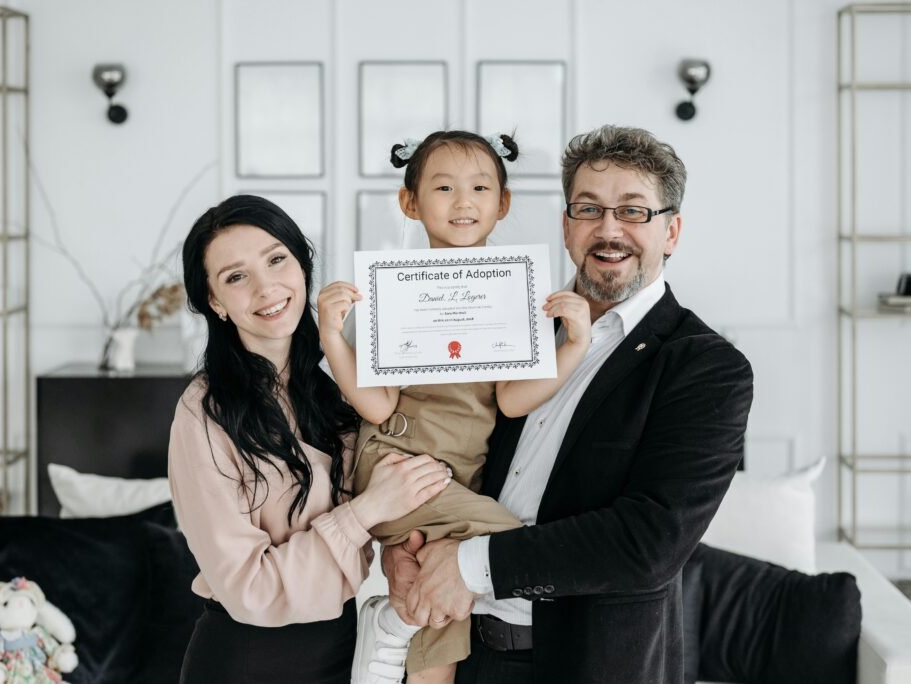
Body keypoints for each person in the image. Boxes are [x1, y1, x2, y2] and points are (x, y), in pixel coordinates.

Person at [382, 124, 755, 684]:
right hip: (471, 655)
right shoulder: (511, 327)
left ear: (672, 231)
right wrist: (402, 544)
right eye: (588, 209)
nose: (609, 230)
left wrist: (466, 564)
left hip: (593, 665)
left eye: (634, 212)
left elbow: (649, 542)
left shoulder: (707, 368)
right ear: (566, 225)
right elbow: (454, 444)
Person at [317, 130, 592, 684]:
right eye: (443, 187)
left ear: (502, 203)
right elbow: (375, 405)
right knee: (513, 547)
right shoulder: (392, 292)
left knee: (447, 620)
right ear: (410, 203)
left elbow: (513, 400)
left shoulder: (518, 295)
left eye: (479, 187)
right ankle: (392, 625)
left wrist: (573, 345)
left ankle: (395, 627)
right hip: (399, 465)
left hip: (458, 479)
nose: (463, 202)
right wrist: (331, 334)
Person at [167, 194, 452, 684]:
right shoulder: (205, 409)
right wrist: (367, 510)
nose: (266, 288)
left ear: (302, 265)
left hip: (339, 650)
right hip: (245, 660)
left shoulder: (336, 392)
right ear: (215, 302)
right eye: (236, 277)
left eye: (277, 259)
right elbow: (248, 587)